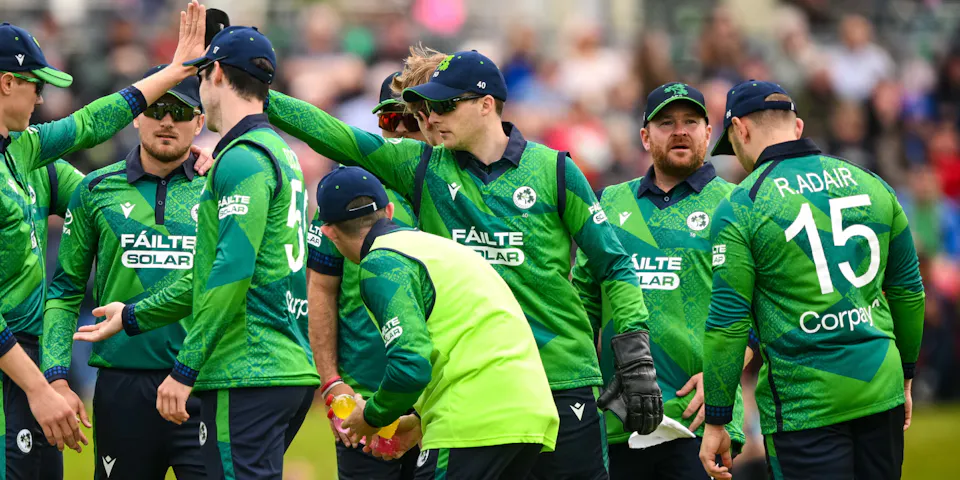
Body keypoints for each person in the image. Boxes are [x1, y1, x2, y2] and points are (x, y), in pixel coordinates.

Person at [266, 50, 662, 479]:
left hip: (559, 379)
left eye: (445, 106)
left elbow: (614, 264)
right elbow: (336, 135)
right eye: (428, 108)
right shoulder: (422, 168)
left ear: (486, 104)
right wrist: (254, 97)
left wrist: (634, 353)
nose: (431, 119)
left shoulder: (555, 171)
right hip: (475, 384)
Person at [76, 25, 321, 479]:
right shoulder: (279, 152)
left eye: (200, 77)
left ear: (216, 76)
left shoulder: (242, 157)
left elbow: (230, 270)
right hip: (280, 365)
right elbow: (209, 272)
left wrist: (186, 367)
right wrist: (133, 316)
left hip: (249, 366)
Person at [0, 4, 208, 472]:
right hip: (14, 362)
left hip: (31, 359)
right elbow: (67, 285)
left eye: (181, 113)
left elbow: (97, 148)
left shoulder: (26, 150)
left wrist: (187, 167)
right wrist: (45, 382)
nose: (39, 101)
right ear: (7, 82)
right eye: (36, 86)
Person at [699, 80, 925, 480]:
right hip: (880, 385)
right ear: (797, 127)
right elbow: (908, 292)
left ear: (741, 130)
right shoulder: (873, 184)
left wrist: (717, 418)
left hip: (805, 405)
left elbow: (728, 324)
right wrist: (905, 374)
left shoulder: (741, 206)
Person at [317, 166, 559, 479]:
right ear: (389, 211)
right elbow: (464, 341)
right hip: (529, 416)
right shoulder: (438, 247)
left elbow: (410, 366)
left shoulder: (381, 262)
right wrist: (417, 421)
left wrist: (372, 416)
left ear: (330, 232)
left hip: (469, 422)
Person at [572, 82, 748, 479]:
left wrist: (724, 376)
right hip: (620, 415)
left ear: (708, 132)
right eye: (666, 122)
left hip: (700, 416)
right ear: (645, 136)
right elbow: (582, 302)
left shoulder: (736, 203)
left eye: (691, 121)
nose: (680, 130)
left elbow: (759, 307)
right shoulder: (611, 201)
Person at [41, 64, 208, 480]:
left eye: (182, 112)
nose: (168, 121)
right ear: (137, 115)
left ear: (200, 122)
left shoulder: (221, 187)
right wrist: (57, 377)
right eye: (157, 108)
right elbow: (64, 292)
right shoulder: (97, 188)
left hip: (204, 383)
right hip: (122, 387)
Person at [309, 71, 422, 480]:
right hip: (363, 400)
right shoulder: (349, 187)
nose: (405, 131)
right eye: (393, 120)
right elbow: (321, 288)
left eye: (415, 118)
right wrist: (331, 383)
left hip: (441, 402)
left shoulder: (452, 184)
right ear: (377, 124)